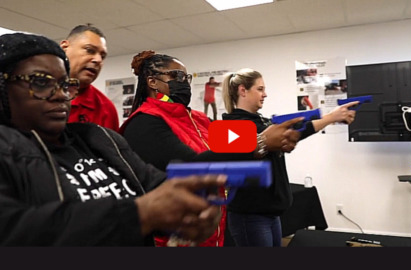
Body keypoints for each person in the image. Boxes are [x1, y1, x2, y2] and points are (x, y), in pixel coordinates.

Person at [0, 32, 224, 246]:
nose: (60, 95)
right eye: (40, 82)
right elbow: (15, 230)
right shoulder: (7, 149)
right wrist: (140, 215)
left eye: (65, 84)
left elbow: (155, 185)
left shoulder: (100, 138)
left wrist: (191, 209)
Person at [119, 51, 302, 246]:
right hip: (175, 238)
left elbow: (235, 143)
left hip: (212, 231)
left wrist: (274, 137)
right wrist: (261, 143)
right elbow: (193, 167)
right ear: (152, 82)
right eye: (176, 76)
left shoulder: (198, 118)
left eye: (186, 77)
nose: (184, 83)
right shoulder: (144, 122)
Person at [221, 68, 358, 247]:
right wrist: (331, 117)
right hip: (250, 215)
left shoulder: (262, 122)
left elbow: (295, 129)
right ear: (242, 90)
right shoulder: (233, 126)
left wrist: (331, 117)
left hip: (270, 214)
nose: (265, 94)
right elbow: (288, 133)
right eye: (260, 89)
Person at [60, 24, 120, 132]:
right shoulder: (32, 92)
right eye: (90, 50)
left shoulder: (106, 109)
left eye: (102, 56)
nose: (98, 60)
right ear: (65, 48)